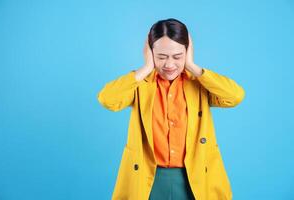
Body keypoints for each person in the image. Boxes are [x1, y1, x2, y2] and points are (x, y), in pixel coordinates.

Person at [97, 18, 245, 200]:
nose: (169, 64)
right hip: (147, 179)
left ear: (187, 51)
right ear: (150, 52)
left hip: (195, 178)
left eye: (177, 56)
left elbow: (234, 96)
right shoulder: (141, 84)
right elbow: (108, 99)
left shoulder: (199, 84)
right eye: (161, 57)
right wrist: (146, 68)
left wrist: (192, 66)